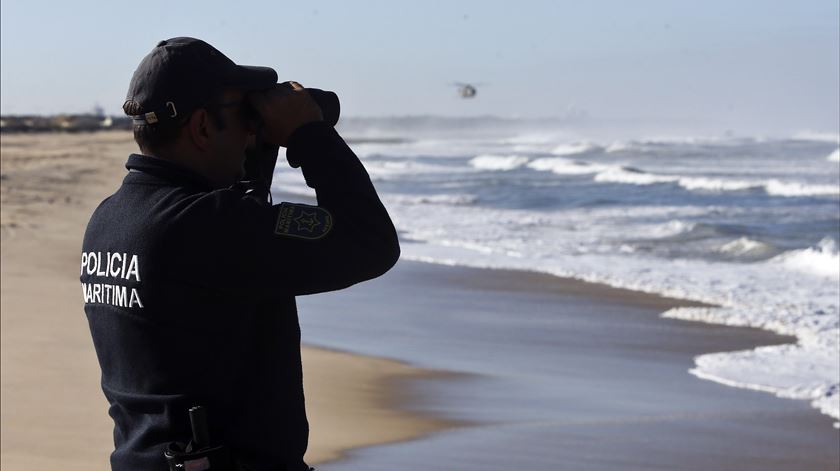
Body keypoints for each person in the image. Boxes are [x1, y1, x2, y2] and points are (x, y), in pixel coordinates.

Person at [80, 37, 400, 471]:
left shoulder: (111, 219)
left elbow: (243, 240)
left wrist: (257, 153)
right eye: (243, 116)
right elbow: (371, 243)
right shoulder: (205, 226)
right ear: (202, 127)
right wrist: (310, 136)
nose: (252, 130)